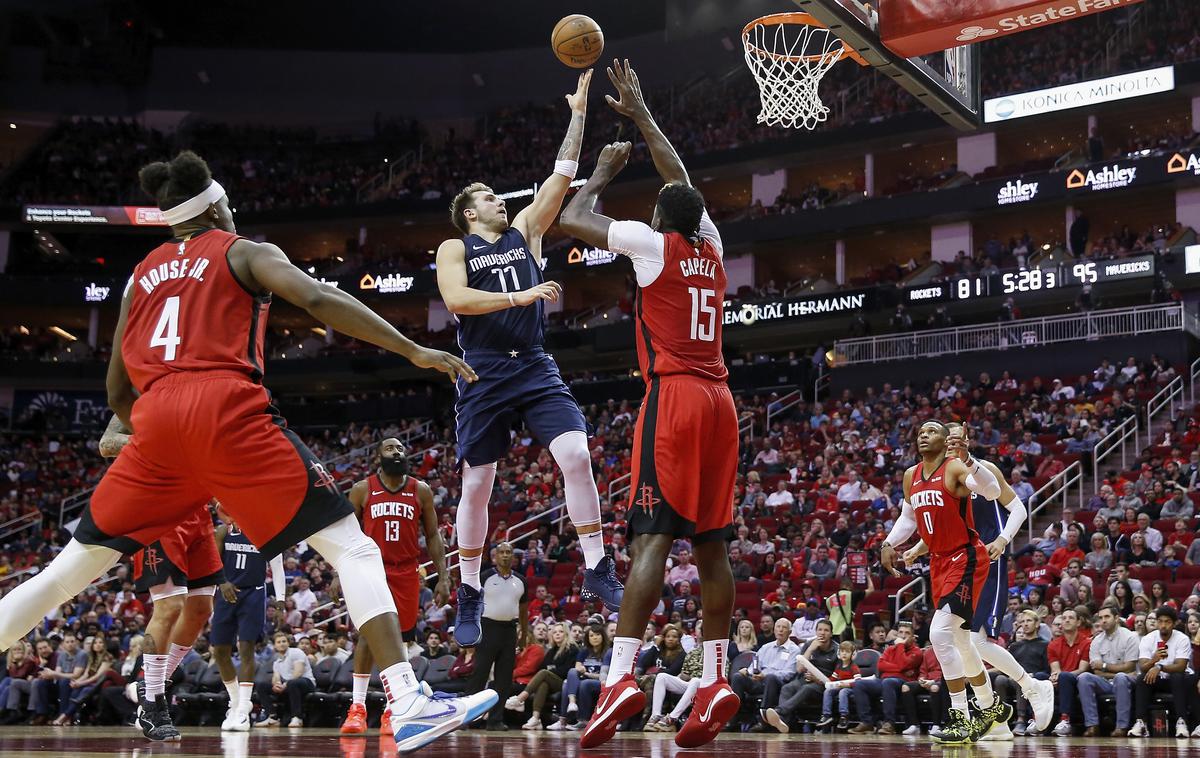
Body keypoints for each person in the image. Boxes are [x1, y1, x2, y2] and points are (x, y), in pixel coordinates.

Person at [0, 150, 494, 753]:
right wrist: (414, 351)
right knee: (350, 547)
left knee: (61, 576)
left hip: (153, 424)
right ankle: (408, 698)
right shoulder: (242, 251)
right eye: (228, 204)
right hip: (224, 410)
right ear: (215, 206)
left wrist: (166, 433)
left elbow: (114, 390)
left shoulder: (140, 276)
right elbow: (316, 300)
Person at [560, 59, 739, 750]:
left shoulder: (652, 242)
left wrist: (603, 169)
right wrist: (644, 117)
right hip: (723, 400)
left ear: (660, 216)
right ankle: (717, 677)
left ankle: (620, 676)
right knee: (714, 544)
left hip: (675, 399)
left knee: (651, 538)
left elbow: (575, 217)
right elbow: (682, 180)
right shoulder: (712, 246)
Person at [434, 69, 622, 649]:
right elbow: (458, 301)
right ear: (470, 213)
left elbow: (562, 177)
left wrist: (578, 113)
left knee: (575, 452)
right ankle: (468, 587)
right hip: (484, 370)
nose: (499, 200)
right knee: (478, 483)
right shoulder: (455, 247)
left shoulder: (524, 233)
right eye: (488, 196)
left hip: (533, 363)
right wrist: (522, 295)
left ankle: (596, 563)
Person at [903, 423, 1054, 740]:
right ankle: (996, 719)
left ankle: (1031, 687)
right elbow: (939, 526)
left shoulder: (983, 470)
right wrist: (917, 547)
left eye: (959, 435)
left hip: (987, 557)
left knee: (977, 640)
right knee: (964, 641)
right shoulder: (940, 476)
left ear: (965, 440)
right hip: (957, 559)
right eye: (950, 435)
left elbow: (1017, 509)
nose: (954, 440)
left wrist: (1002, 539)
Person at [881, 421, 1007, 743]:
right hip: (938, 562)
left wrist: (969, 461)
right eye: (920, 432)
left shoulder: (954, 468)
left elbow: (992, 492)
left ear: (944, 439)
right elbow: (909, 519)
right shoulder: (911, 475)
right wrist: (888, 544)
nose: (924, 435)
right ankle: (990, 706)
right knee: (962, 642)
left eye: (932, 431)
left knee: (938, 634)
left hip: (966, 557)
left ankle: (960, 717)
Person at [99, 421, 224, 742]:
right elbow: (107, 444)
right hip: (161, 508)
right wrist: (162, 446)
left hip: (199, 510)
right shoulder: (144, 391)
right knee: (169, 606)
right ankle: (154, 703)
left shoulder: (204, 393)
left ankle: (150, 684)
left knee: (200, 608)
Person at [340, 438, 452, 735]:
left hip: (406, 572)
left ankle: (393, 708)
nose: (398, 452)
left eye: (401, 448)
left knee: (399, 641)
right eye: (391, 448)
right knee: (368, 635)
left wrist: (444, 575)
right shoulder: (363, 489)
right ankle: (358, 708)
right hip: (371, 568)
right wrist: (342, 572)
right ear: (378, 456)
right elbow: (347, 536)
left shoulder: (421, 490)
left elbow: (432, 535)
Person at [211, 503, 287, 732]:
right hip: (226, 593)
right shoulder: (224, 531)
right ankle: (234, 702)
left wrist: (281, 602)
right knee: (219, 650)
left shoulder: (266, 533)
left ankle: (244, 707)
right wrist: (222, 582)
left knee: (246, 648)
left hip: (253, 594)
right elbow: (212, 562)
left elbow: (278, 567)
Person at [465, 542, 529, 730]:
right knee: (479, 674)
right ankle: (467, 718)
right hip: (487, 628)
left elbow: (523, 611)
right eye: (502, 552)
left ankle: (495, 720)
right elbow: (472, 605)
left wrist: (524, 635)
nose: (505, 555)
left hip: (509, 630)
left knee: (503, 678)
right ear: (495, 556)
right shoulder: (484, 577)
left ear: (513, 557)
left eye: (509, 552)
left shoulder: (521, 580)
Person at [1129, 606, 1195, 738]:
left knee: (1177, 676)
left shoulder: (1182, 638)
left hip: (1178, 680)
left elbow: (1181, 666)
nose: (1163, 625)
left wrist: (1159, 667)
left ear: (1174, 623)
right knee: (1142, 678)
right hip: (1157, 679)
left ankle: (1181, 722)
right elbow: (1142, 666)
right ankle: (1141, 723)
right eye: (1160, 621)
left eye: (1167, 622)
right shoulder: (1148, 639)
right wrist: (1155, 659)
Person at [848, 621, 923, 735]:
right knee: (859, 684)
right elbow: (881, 665)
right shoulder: (889, 649)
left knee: (889, 682)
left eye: (907, 633)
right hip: (884, 680)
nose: (903, 636)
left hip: (904, 683)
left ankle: (889, 723)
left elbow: (902, 663)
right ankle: (866, 722)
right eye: (900, 632)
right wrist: (901, 669)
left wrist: (900, 646)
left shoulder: (917, 652)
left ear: (912, 637)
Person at [1075, 604, 1139, 736]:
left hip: (1127, 681)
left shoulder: (1130, 637)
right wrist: (1113, 670)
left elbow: (1130, 667)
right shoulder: (1096, 641)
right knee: (1084, 678)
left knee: (1121, 677)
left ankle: (1121, 727)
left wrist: (1104, 666)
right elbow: (1096, 671)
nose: (1103, 620)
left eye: (1107, 617)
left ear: (1116, 618)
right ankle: (1092, 725)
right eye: (1100, 617)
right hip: (1105, 682)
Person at [729, 617, 799, 732]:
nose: (780, 630)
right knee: (738, 677)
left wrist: (765, 675)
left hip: (777, 683)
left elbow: (789, 673)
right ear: (774, 629)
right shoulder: (766, 647)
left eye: (784, 628)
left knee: (771, 677)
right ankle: (733, 718)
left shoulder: (794, 649)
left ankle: (763, 720)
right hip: (758, 679)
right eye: (778, 627)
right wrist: (748, 671)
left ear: (790, 632)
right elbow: (755, 665)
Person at [506, 622, 579, 730]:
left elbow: (567, 670)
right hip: (552, 681)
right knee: (543, 683)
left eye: (560, 632)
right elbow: (542, 668)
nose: (557, 634)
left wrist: (551, 671)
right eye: (554, 632)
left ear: (566, 634)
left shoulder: (572, 649)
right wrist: (552, 670)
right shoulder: (551, 651)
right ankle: (535, 719)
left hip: (566, 683)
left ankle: (520, 699)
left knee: (544, 674)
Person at [254, 633, 316, 728]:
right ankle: (272, 717)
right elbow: (276, 676)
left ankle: (297, 718)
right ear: (275, 645)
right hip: (289, 684)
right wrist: (277, 685)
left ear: (288, 643)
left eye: (284, 641)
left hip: (306, 683)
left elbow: (298, 672)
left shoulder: (296, 652)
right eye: (278, 642)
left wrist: (285, 684)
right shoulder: (277, 660)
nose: (282, 644)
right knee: (262, 685)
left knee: (292, 683)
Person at [1047, 608, 1091, 735]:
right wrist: (1055, 678)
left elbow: (1083, 669)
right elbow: (1055, 670)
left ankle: (1065, 720)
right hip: (1062, 678)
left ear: (1078, 622)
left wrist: (1061, 677)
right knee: (1039, 677)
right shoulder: (1053, 645)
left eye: (1071, 618)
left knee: (1065, 677)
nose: (1066, 620)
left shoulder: (1086, 642)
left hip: (1079, 680)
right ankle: (1036, 719)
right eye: (1064, 618)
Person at [814, 640, 862, 732]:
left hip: (850, 688)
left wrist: (848, 684)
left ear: (853, 654)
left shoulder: (854, 667)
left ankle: (844, 716)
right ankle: (826, 715)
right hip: (839, 686)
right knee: (828, 691)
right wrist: (823, 681)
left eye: (847, 652)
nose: (844, 654)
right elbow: (832, 679)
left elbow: (858, 682)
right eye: (842, 651)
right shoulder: (839, 666)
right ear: (838, 653)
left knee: (843, 692)